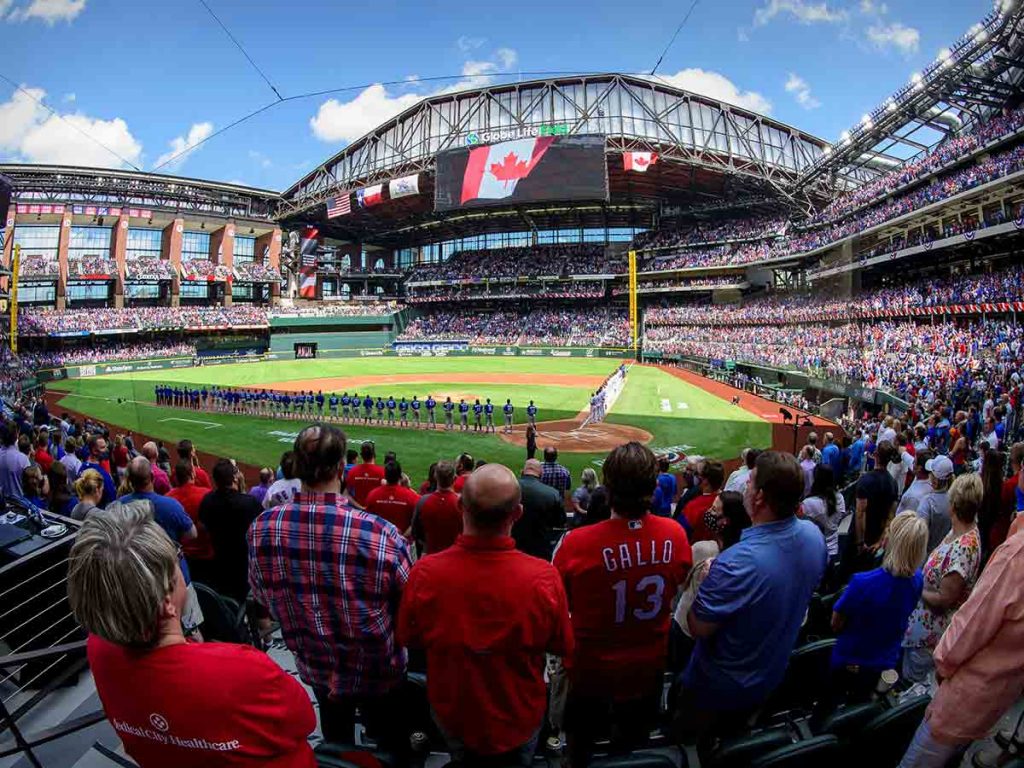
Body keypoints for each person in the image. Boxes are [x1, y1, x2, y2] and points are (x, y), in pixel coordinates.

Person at [68, 507, 317, 768]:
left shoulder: (98, 648)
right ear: (167, 602)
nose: (179, 565)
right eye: (175, 559)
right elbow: (304, 720)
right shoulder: (241, 668)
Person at [249, 424, 412, 750]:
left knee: (336, 740)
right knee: (389, 744)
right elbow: (411, 609)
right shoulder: (380, 533)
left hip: (315, 665)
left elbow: (262, 595)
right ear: (341, 468)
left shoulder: (262, 528)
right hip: (379, 670)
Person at [399, 464, 574, 764]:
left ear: (459, 506)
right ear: (516, 514)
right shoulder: (543, 577)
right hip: (519, 713)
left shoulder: (424, 573)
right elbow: (561, 646)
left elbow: (408, 637)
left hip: (453, 712)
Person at [676, 451, 827, 746]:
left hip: (718, 687)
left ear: (759, 498)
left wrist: (704, 582)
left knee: (695, 744)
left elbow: (698, 627)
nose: (745, 486)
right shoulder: (813, 535)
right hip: (769, 676)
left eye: (751, 482)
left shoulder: (734, 563)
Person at [554, 442, 692, 765]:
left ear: (607, 485)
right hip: (647, 669)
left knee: (580, 752)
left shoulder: (577, 544)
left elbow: (560, 599)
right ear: (654, 485)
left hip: (590, 673)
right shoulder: (675, 534)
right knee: (632, 750)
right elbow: (680, 581)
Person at [898, 509, 1024, 768]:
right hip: (994, 696)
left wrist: (943, 663)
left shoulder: (1016, 555)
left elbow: (970, 626)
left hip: (963, 697)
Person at [829, 513, 927, 703]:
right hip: (886, 659)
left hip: (852, 658)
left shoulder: (862, 583)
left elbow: (836, 622)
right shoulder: (918, 580)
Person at [902, 472, 983, 686]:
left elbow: (944, 599)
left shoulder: (964, 549)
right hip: (924, 626)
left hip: (929, 635)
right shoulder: (962, 530)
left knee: (914, 682)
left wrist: (916, 586)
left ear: (954, 504)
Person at [670, 492, 750, 674]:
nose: (709, 512)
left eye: (714, 509)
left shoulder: (702, 550)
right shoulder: (746, 552)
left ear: (726, 521)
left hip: (688, 629)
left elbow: (679, 586)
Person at [199, 459, 263, 603]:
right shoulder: (249, 502)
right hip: (244, 563)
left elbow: (202, 526)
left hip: (219, 559)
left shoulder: (208, 500)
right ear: (234, 478)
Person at [167, 461, 215, 586]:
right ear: (193, 475)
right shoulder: (206, 494)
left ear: (176, 478)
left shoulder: (169, 497)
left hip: (182, 557)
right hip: (206, 555)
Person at [853, 440, 899, 570]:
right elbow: (891, 516)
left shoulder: (865, 480)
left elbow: (860, 513)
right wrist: (880, 541)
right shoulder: (893, 483)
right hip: (877, 537)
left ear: (875, 455)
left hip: (863, 538)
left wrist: (860, 543)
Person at [516, 459, 565, 560]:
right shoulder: (552, 494)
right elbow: (560, 522)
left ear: (522, 471)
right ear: (541, 473)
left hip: (513, 547)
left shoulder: (509, 487)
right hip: (539, 550)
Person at [411, 460, 462, 554]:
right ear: (455, 478)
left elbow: (415, 532)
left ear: (435, 477)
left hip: (430, 554)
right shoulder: (461, 503)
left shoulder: (423, 501)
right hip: (454, 555)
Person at [801, 465, 847, 560]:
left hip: (814, 552)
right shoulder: (840, 497)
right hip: (834, 549)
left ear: (816, 480)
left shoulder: (808, 503)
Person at [365, 460, 421, 537]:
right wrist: (401, 538)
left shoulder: (372, 495)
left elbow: (368, 521)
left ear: (385, 475)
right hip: (403, 544)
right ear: (400, 476)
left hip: (380, 541)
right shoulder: (413, 497)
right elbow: (418, 521)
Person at [917, 454, 954, 555]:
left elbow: (920, 536)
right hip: (943, 554)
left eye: (931, 473)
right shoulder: (954, 500)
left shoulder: (927, 502)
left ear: (935, 480)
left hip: (926, 555)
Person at [680, 460, 724, 543]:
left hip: (698, 549)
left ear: (705, 480)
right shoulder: (729, 499)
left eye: (697, 474)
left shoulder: (693, 506)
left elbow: (681, 532)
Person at [345, 441, 386, 508]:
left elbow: (346, 494)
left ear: (361, 455)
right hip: (375, 510)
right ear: (374, 454)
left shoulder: (353, 471)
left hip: (358, 511)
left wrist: (360, 507)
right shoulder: (382, 471)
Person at [81, 434, 117, 508]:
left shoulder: (82, 466)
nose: (106, 449)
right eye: (103, 447)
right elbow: (112, 499)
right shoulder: (103, 475)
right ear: (94, 451)